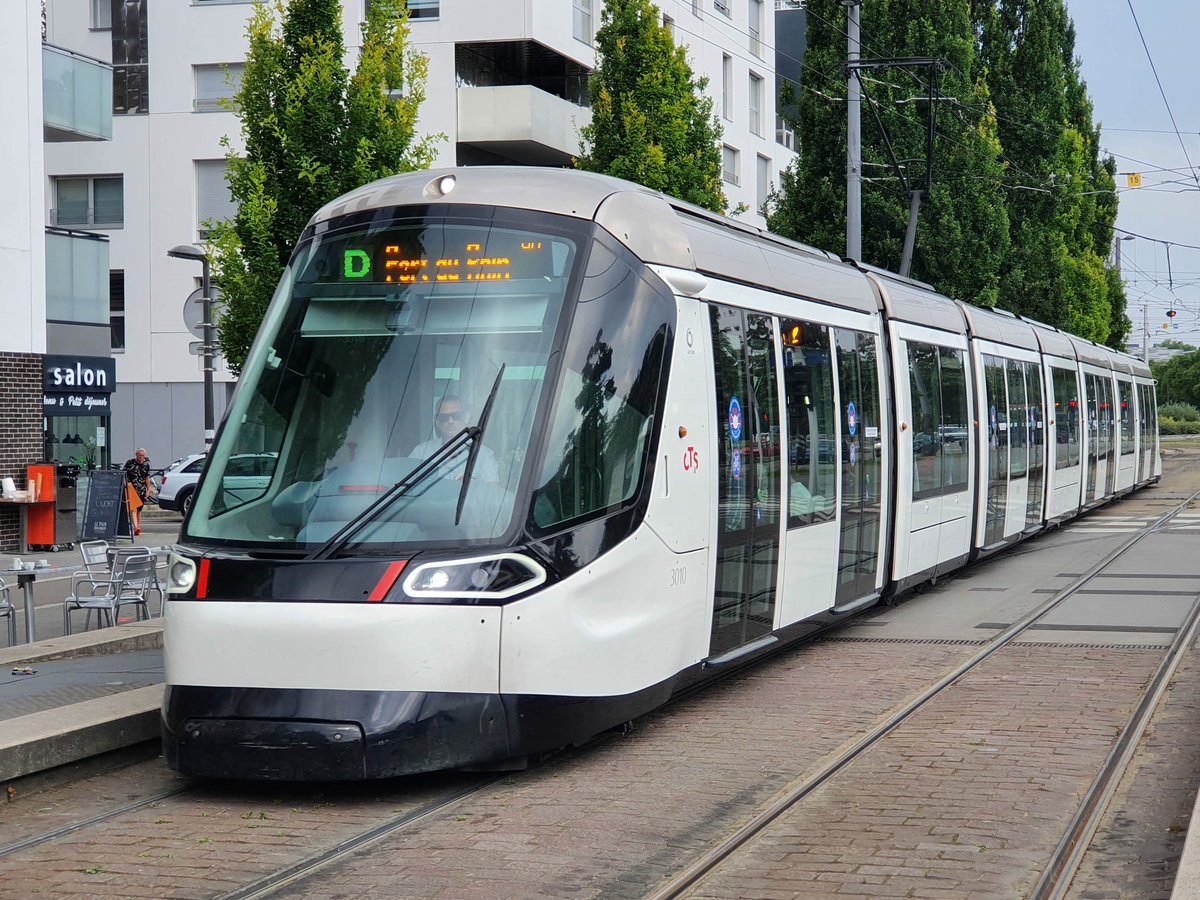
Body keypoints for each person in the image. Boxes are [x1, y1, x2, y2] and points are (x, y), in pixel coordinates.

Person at [409, 395, 500, 484]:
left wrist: (472, 484)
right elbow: (405, 482)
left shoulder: (483, 454)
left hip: (466, 499)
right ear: (437, 421)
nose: (450, 421)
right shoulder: (421, 452)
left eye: (456, 416)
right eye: (444, 417)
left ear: (466, 417)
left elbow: (494, 491)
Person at [123, 447, 156, 536]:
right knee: (133, 508)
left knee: (139, 509)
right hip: (131, 488)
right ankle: (136, 527)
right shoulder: (130, 463)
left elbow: (147, 478)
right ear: (136, 455)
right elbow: (123, 474)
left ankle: (137, 527)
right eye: (140, 455)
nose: (142, 457)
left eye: (143, 456)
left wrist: (148, 489)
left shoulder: (146, 464)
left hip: (141, 489)